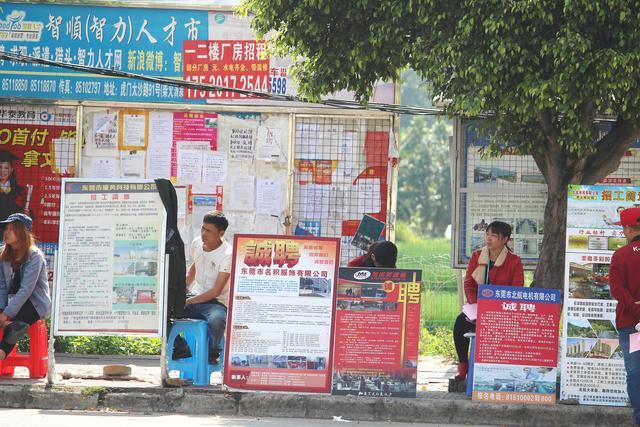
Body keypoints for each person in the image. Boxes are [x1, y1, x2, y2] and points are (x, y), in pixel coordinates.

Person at [452, 221, 524, 382]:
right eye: (487, 234)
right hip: (478, 308)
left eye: (494, 235)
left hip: (503, 311)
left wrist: (496, 306)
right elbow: (469, 284)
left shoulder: (514, 261)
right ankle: (463, 365)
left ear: (505, 239)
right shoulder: (477, 256)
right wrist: (475, 303)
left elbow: (517, 290)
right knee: (459, 323)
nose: (489, 238)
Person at [173, 211, 232, 364]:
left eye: (209, 231)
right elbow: (195, 266)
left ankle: (212, 353)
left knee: (217, 320)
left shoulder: (227, 254)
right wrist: (183, 290)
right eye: (203, 229)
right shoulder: (197, 243)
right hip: (195, 296)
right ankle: (180, 347)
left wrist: (189, 301)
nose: (204, 234)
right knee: (164, 310)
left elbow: (216, 291)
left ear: (221, 233)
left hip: (216, 302)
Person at [0, 213, 51, 360]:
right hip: (13, 302)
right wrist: (2, 309)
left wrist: (6, 314)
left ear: (22, 232)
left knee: (17, 326)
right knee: (13, 323)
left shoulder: (35, 256)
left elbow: (26, 290)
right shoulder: (3, 256)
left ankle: (3, 349)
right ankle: (11, 324)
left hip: (34, 304)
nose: (6, 232)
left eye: (11, 229)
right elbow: (2, 287)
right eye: (6, 229)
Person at [609, 207, 640, 427]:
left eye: (624, 229)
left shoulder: (620, 255)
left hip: (631, 324)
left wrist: (636, 310)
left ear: (629, 229)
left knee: (635, 372)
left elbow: (617, 289)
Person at [0, 150, 29, 221]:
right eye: (0, 167)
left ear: (11, 169)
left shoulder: (19, 191)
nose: (2, 171)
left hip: (12, 229)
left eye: (6, 168)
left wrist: (25, 214)